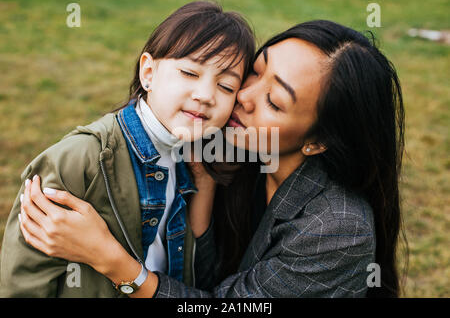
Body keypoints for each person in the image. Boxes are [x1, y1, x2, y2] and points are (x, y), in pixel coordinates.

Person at [16, 20, 406, 298]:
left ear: (317, 142)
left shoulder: (337, 230)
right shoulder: (235, 153)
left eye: (274, 101)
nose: (243, 96)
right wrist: (202, 185)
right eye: (254, 72)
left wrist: (110, 260)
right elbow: (205, 278)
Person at [0, 0, 255, 297]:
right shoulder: (79, 161)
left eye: (225, 87)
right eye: (190, 73)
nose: (205, 95)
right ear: (148, 73)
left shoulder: (197, 161)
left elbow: (200, 277)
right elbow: (23, 281)